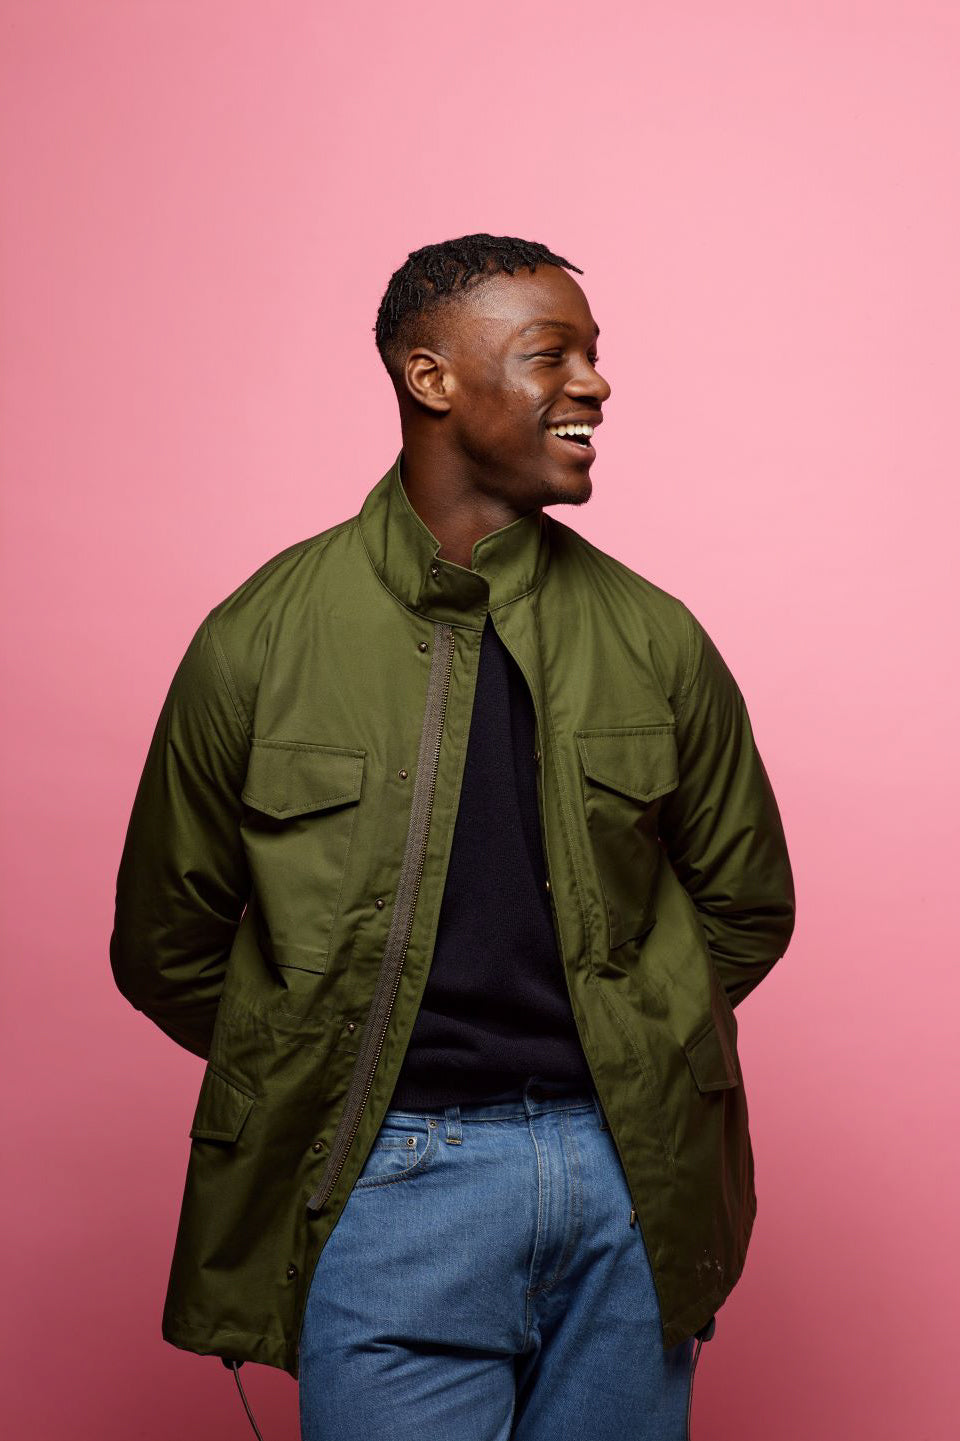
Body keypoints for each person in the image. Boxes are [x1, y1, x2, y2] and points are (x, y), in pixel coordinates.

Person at [109, 233, 796, 1441]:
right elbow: (166, 941)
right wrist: (324, 1064)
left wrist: (633, 1049)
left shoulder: (656, 638)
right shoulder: (259, 641)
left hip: (628, 1182)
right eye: (552, 355)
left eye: (595, 356)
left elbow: (747, 905)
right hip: (382, 1187)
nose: (594, 384)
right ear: (431, 379)